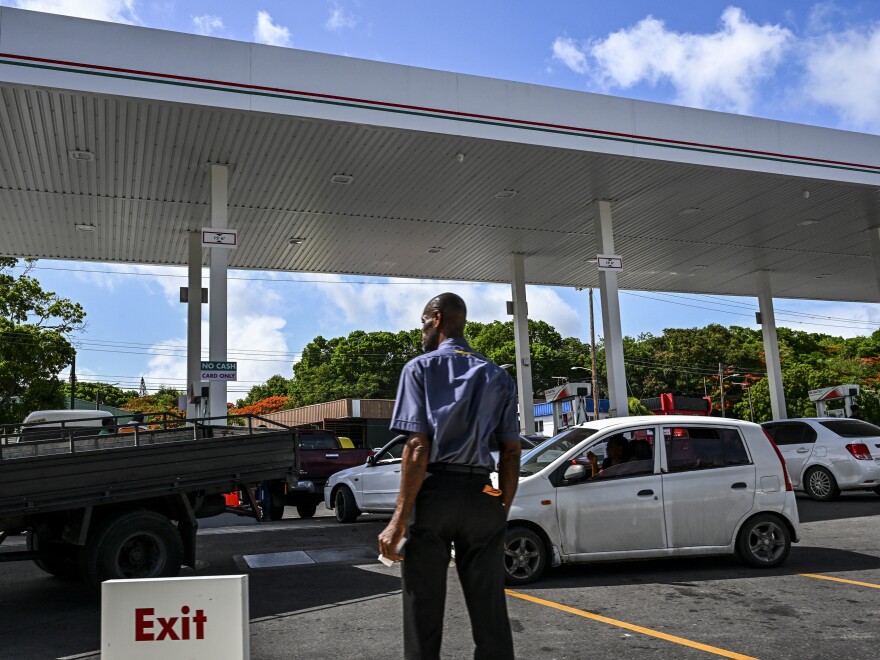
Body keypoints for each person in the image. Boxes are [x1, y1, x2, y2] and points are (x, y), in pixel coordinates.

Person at [378, 292, 521, 660]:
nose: (422, 329)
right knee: (490, 610)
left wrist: (398, 520)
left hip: (435, 495)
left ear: (438, 318)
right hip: (481, 492)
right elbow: (511, 450)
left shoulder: (419, 368)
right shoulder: (497, 376)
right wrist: (500, 506)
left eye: (424, 321)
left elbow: (417, 447)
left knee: (422, 608)